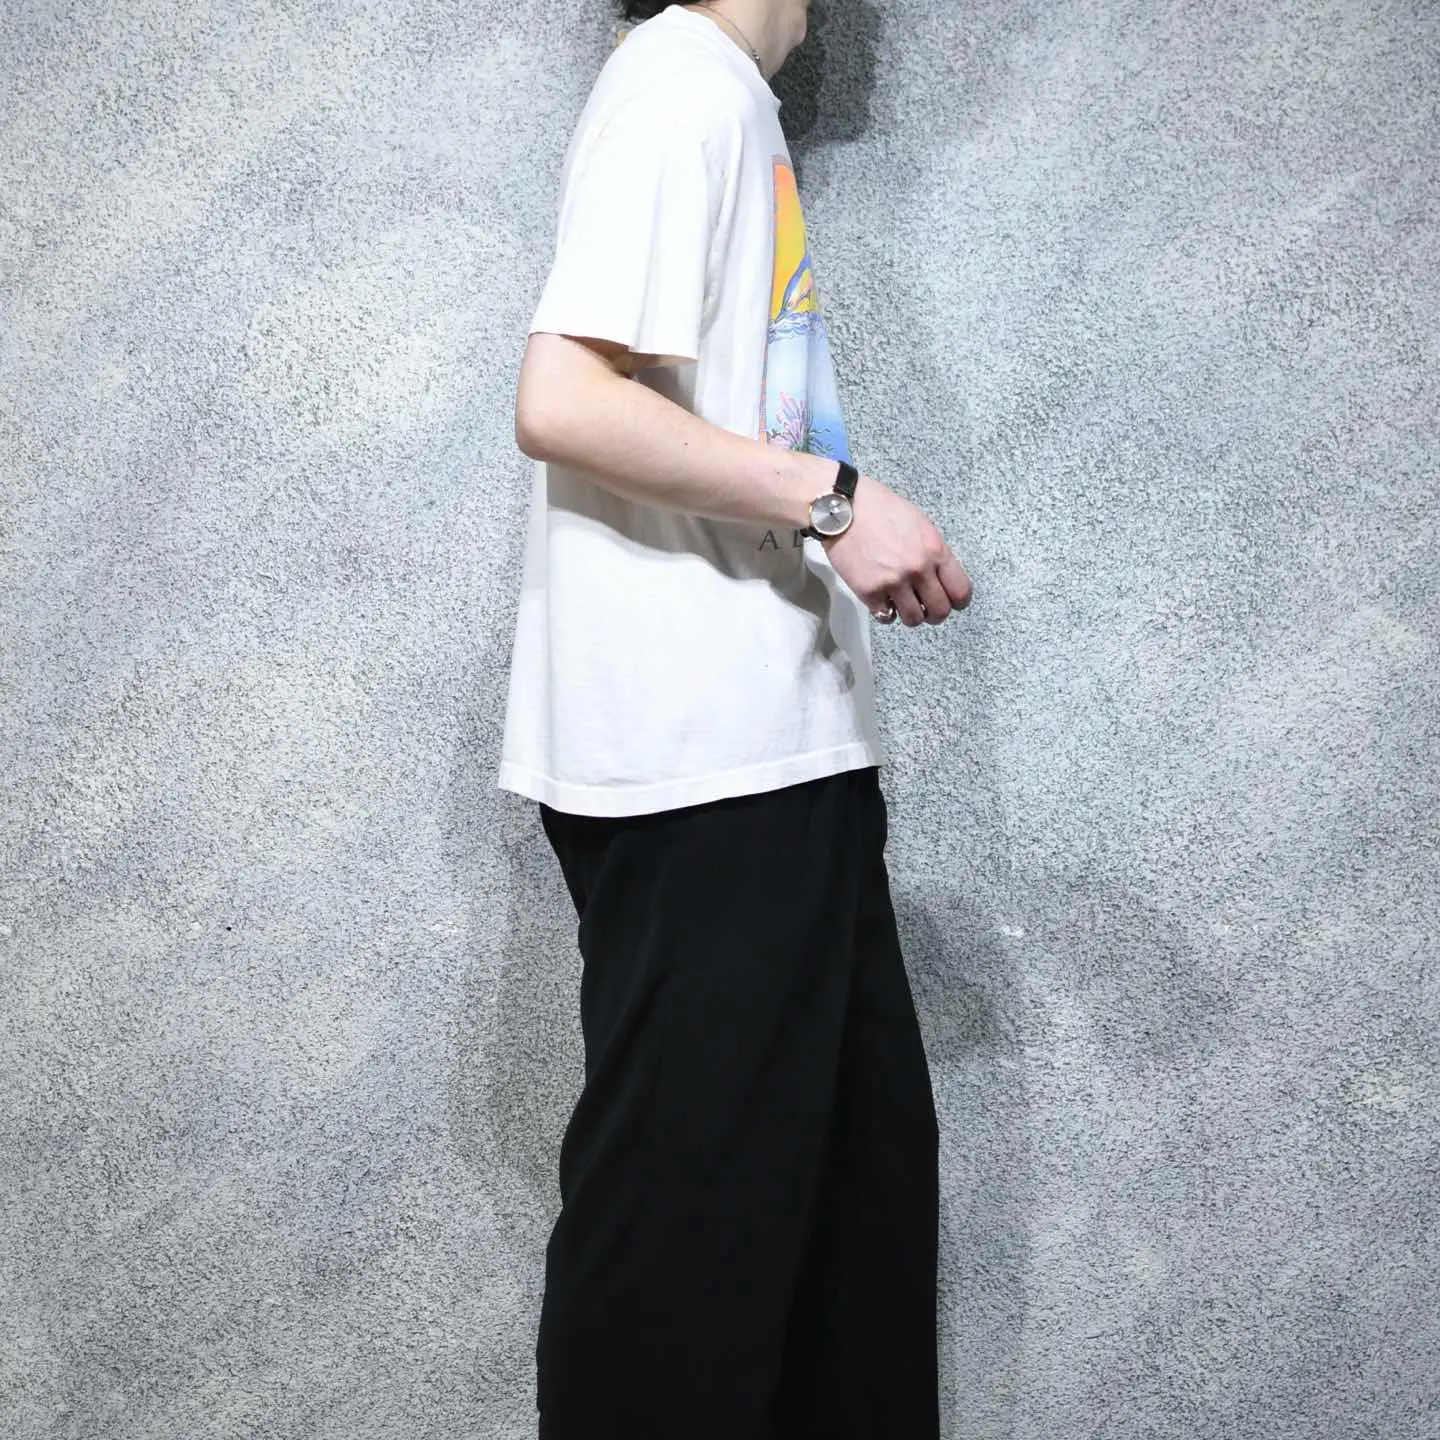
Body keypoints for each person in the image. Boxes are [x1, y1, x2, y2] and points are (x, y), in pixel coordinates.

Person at [496, 2, 973, 1435]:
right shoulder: (678, 83)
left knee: (848, 1260)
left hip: (777, 753)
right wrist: (832, 500)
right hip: (701, 769)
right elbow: (562, 395)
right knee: (681, 1284)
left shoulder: (724, 100)